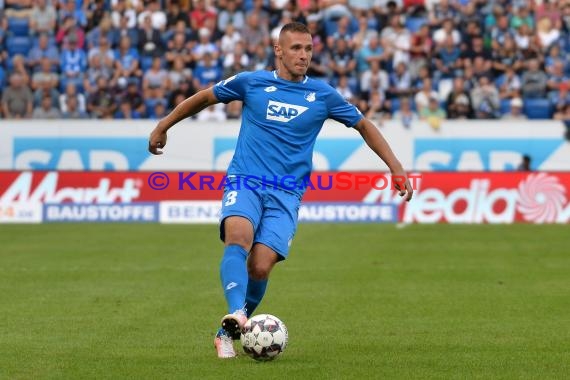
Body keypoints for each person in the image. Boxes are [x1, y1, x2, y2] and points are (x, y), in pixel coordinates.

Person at [147, 22, 413, 359]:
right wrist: (163, 125)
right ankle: (238, 316)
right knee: (238, 238)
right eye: (296, 48)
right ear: (279, 50)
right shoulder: (251, 82)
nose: (303, 55)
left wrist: (396, 166)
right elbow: (204, 98)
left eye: (308, 49)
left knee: (260, 267)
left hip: (287, 193)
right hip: (246, 180)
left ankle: (224, 332)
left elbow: (363, 125)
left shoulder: (322, 95)